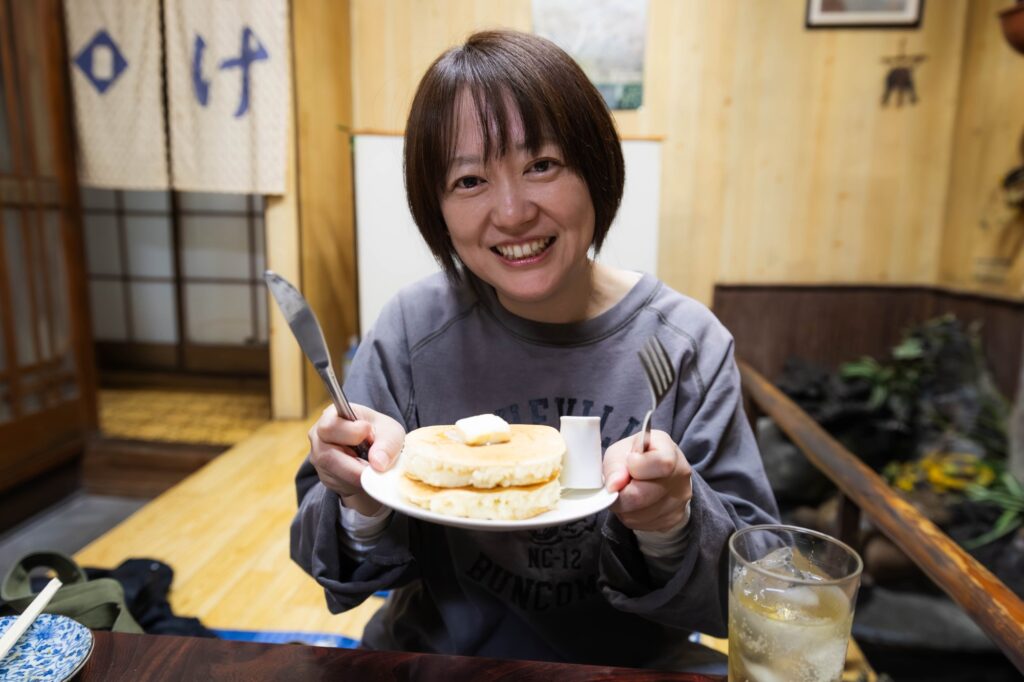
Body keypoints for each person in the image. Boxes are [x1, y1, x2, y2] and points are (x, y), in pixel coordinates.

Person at [291, 29, 779, 672]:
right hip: (439, 658)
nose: (513, 211)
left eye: (541, 165)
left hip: (631, 667)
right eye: (469, 180)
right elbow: (333, 566)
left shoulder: (685, 343)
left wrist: (671, 523)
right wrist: (358, 493)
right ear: (436, 210)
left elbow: (754, 584)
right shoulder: (412, 331)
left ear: (595, 169)